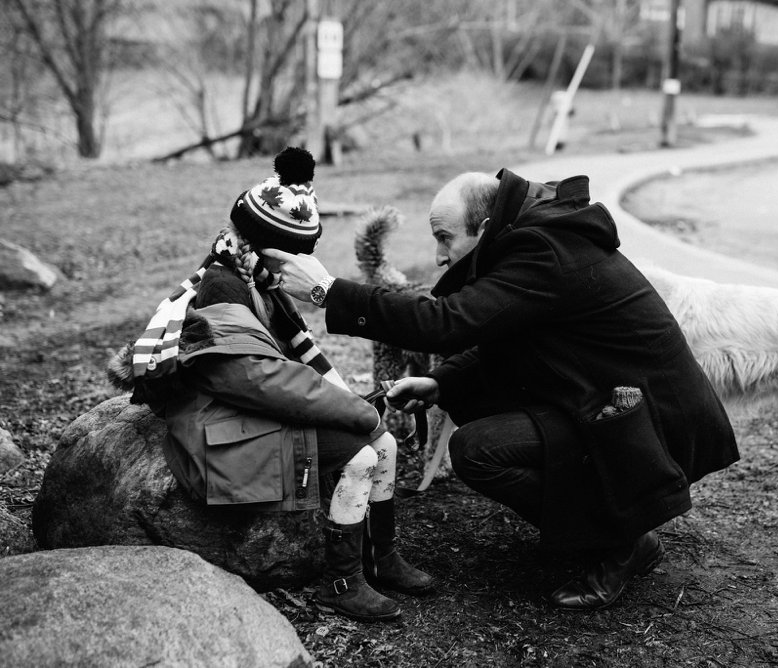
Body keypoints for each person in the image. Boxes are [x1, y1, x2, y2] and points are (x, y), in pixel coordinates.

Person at [264, 167, 739, 610]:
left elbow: (446, 322)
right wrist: (439, 381)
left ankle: (624, 542)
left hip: (643, 417)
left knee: (478, 451)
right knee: (481, 428)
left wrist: (329, 291)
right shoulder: (536, 239)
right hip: (604, 398)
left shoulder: (543, 252)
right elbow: (504, 335)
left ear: (486, 226)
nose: (439, 256)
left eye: (446, 238)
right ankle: (606, 524)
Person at [108, 147, 433, 622]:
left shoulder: (258, 281)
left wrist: (350, 406)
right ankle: (343, 583)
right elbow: (251, 378)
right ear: (265, 244)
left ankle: (380, 556)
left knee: (384, 444)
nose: (301, 265)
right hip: (219, 423)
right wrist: (350, 408)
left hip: (248, 406)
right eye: (295, 254)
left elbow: (277, 370)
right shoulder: (223, 287)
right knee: (363, 450)